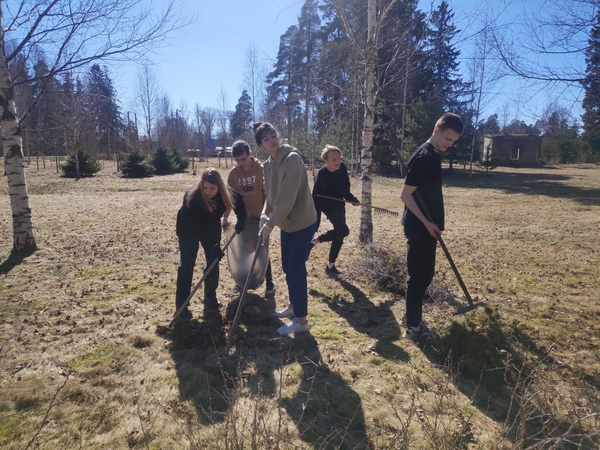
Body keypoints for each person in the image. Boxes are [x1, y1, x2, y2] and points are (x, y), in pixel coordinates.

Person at [400, 112, 463, 340]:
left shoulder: (433, 155)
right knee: (419, 276)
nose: (449, 144)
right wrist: (427, 223)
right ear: (436, 130)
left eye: (453, 141)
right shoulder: (423, 157)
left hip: (428, 227)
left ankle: (410, 317)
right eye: (447, 139)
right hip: (420, 228)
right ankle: (413, 327)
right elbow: (406, 196)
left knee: (422, 275)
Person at [254, 121, 317, 335]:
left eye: (273, 136)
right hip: (286, 224)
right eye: (266, 139)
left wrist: (270, 224)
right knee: (289, 269)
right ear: (261, 146)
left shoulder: (293, 160)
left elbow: (287, 199)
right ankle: (293, 306)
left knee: (296, 270)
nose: (272, 141)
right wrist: (264, 214)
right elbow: (272, 197)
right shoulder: (268, 165)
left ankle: (301, 321)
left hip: (302, 222)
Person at [175, 168, 246, 320]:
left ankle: (210, 297)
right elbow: (201, 225)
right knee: (186, 264)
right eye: (205, 187)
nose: (208, 191)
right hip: (188, 228)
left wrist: (242, 219)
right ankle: (181, 305)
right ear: (201, 184)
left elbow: (239, 202)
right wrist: (215, 246)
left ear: (219, 186)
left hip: (211, 227)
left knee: (213, 262)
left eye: (212, 188)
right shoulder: (192, 197)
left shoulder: (226, 192)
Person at [226, 140, 275, 295]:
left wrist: (266, 216)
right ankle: (241, 283)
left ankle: (269, 283)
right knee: (244, 253)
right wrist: (225, 217)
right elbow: (229, 198)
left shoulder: (261, 170)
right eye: (237, 160)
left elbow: (268, 194)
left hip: (260, 219)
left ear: (250, 154)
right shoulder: (233, 174)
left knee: (262, 251)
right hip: (243, 221)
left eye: (243, 159)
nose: (241, 163)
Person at [311, 145, 360, 275]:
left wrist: (352, 199)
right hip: (325, 204)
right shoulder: (321, 175)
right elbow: (315, 199)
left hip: (339, 204)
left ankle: (331, 265)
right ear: (326, 160)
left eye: (339, 158)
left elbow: (345, 188)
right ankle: (315, 240)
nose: (338, 162)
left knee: (340, 232)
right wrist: (316, 225)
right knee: (343, 230)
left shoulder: (342, 168)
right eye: (334, 159)